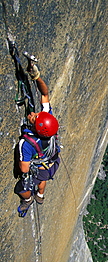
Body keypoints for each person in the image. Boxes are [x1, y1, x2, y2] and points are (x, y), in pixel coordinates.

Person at [14, 61, 60, 212]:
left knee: (22, 188)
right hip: (53, 164)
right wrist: (37, 77)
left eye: (34, 118)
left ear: (36, 128)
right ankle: (40, 194)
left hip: (40, 169)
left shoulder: (26, 144)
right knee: (43, 178)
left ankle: (28, 199)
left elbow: (24, 169)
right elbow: (45, 94)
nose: (33, 114)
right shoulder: (48, 122)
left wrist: (26, 179)